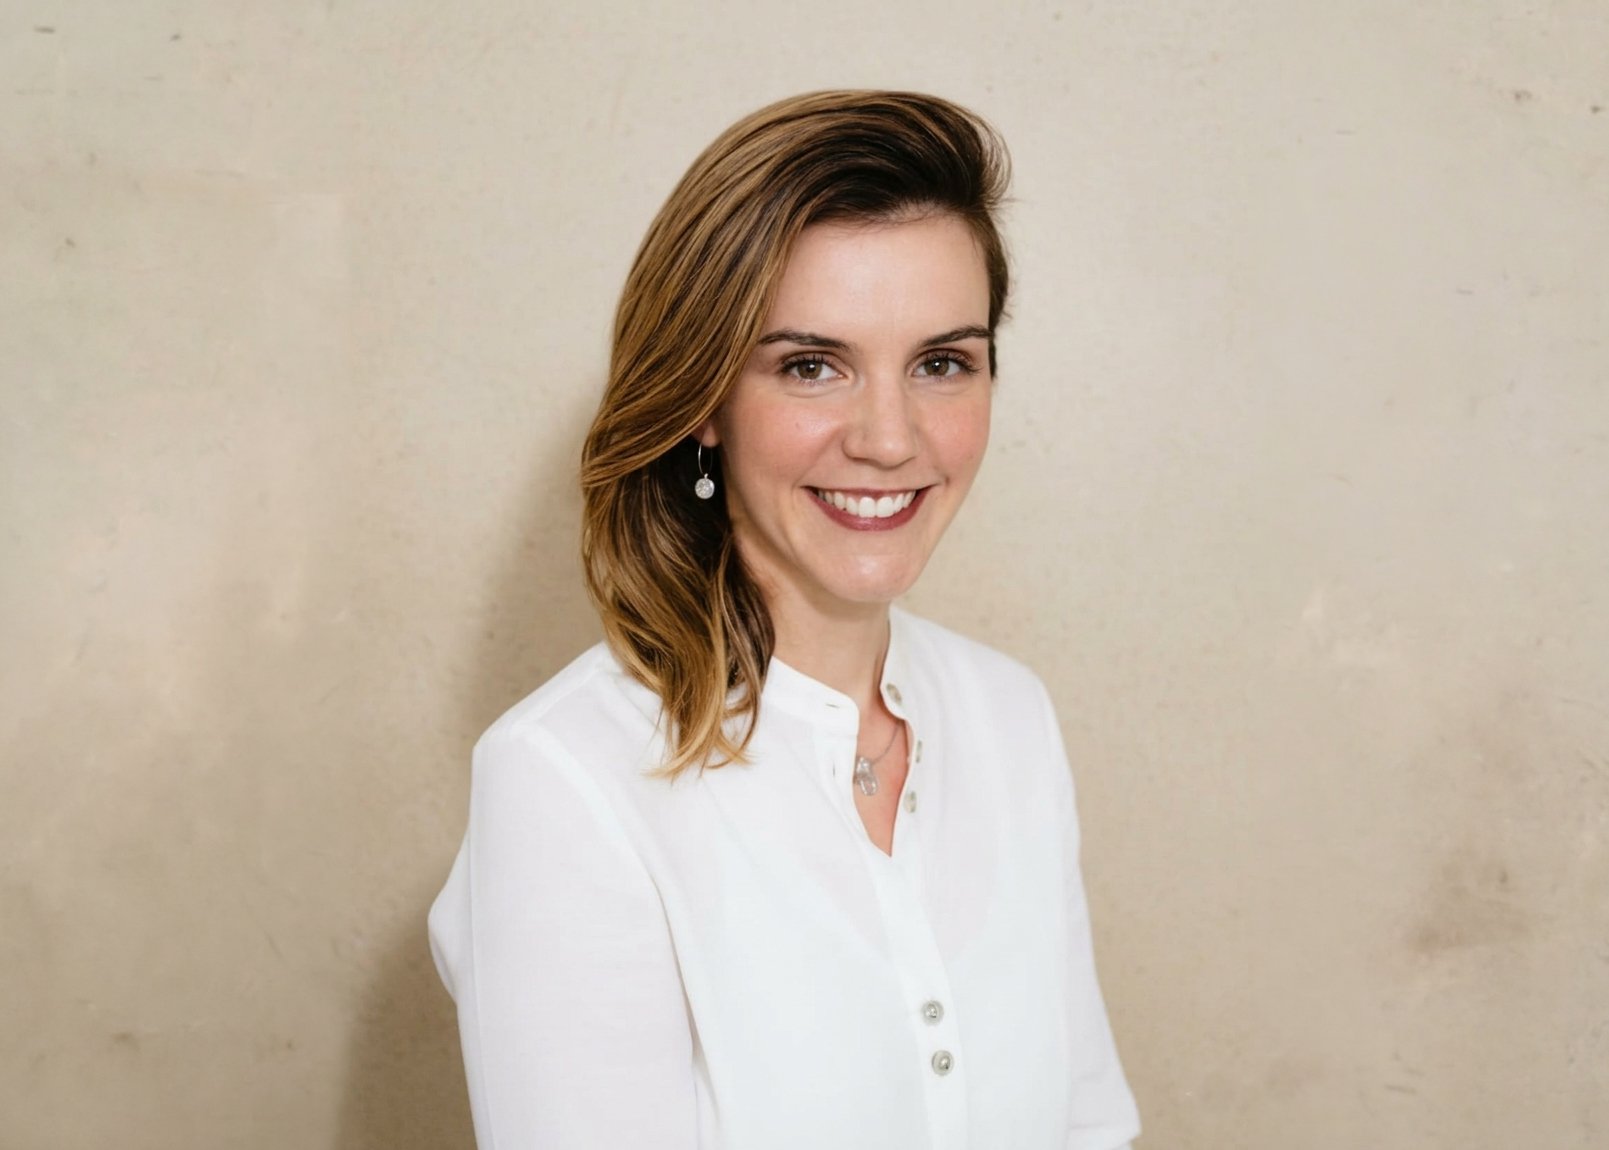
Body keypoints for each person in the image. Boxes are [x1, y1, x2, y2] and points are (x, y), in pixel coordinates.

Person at [428, 90, 1141, 1150]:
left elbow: (1085, 1129)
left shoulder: (1009, 715)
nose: (890, 439)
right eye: (811, 365)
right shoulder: (566, 779)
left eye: (941, 362)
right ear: (702, 399)